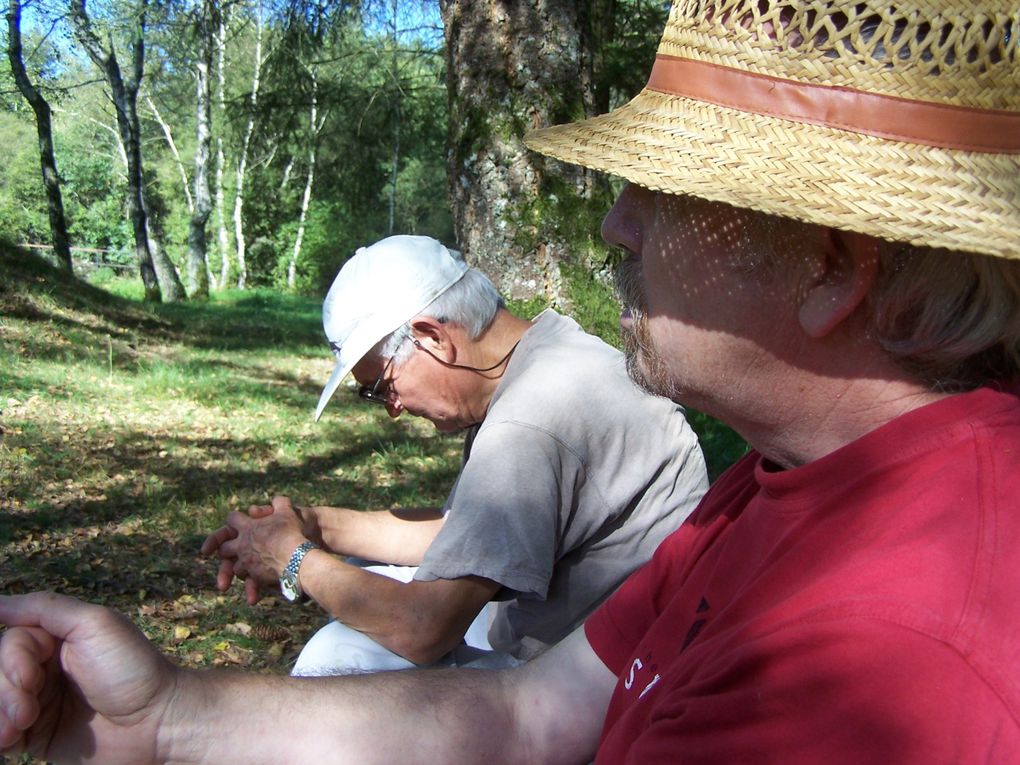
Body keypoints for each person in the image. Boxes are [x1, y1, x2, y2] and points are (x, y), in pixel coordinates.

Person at [2, 0, 1019, 761]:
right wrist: (161, 716)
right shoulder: (779, 484)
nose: (615, 226)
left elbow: (430, 631)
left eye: (663, 193)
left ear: (836, 268)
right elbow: (528, 710)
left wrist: (297, 567)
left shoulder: (889, 653)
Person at [201, 233, 708, 674]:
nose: (393, 409)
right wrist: (313, 526)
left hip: (601, 685)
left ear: (433, 338)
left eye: (382, 386)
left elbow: (422, 630)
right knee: (368, 576)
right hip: (628, 644)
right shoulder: (552, 351)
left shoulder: (528, 422)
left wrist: (293, 560)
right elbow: (467, 534)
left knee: (338, 657)